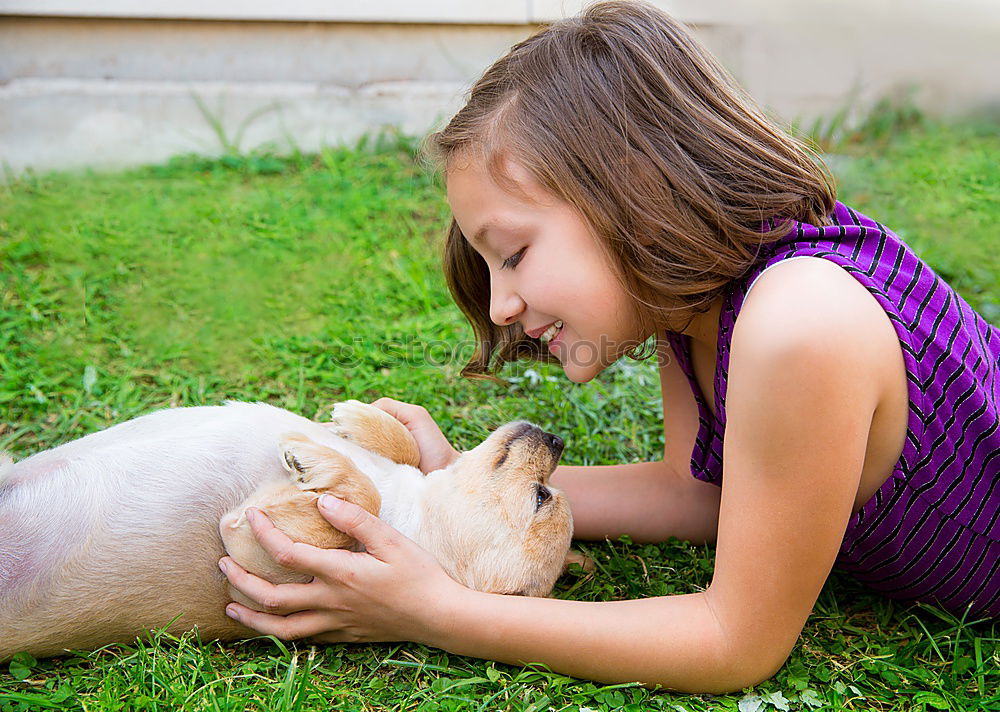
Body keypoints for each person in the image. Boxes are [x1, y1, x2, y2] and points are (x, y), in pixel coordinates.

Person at [217, 0, 1000, 693]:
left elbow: (736, 640)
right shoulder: (696, 302)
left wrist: (438, 611)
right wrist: (457, 482)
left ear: (635, 190)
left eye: (514, 254)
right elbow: (701, 493)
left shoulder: (799, 323)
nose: (501, 304)